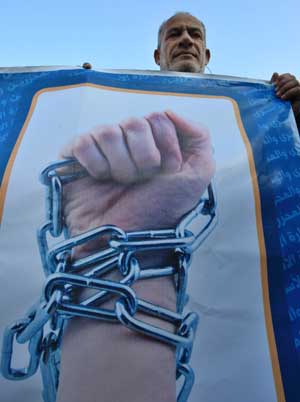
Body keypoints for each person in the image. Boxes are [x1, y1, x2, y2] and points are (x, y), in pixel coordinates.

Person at [57, 12, 299, 402]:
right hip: (142, 294)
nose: (185, 39)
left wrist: (295, 120)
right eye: (175, 34)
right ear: (158, 53)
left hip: (242, 298)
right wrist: (85, 97)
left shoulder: (256, 112)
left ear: (206, 52)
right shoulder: (122, 110)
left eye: (194, 34)